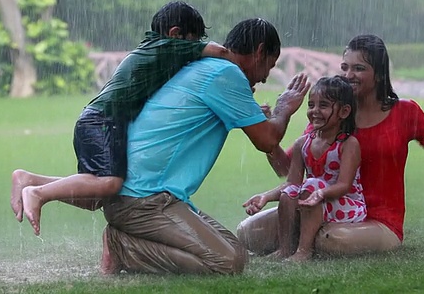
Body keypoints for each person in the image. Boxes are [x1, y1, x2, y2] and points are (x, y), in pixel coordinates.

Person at [237, 34, 424, 257]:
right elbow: (289, 170)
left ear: (378, 73)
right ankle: (304, 242)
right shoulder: (331, 113)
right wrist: (270, 130)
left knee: (332, 240)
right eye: (345, 67)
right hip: (320, 210)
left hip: (378, 222)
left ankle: (306, 243)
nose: (349, 75)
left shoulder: (406, 113)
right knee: (246, 234)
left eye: (358, 68)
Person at [100, 18, 310, 275]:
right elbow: (266, 141)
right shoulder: (227, 74)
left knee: (236, 250)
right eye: (269, 65)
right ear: (259, 51)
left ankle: (131, 239)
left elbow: (272, 152)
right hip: (144, 199)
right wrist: (284, 108)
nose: (265, 77)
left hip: (144, 194)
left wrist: (262, 115)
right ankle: (123, 245)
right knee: (227, 262)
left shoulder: (209, 67)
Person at [10, 1, 228, 236]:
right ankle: (38, 194)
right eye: (193, 40)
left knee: (94, 198)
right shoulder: (167, 46)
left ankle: (31, 180)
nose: (193, 47)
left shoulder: (152, 47)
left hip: (98, 120)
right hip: (102, 121)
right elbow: (220, 51)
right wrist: (237, 76)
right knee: (110, 183)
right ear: (175, 33)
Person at [244, 75, 366, 262]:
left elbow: (344, 186)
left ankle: (304, 250)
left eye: (323, 105)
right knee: (290, 192)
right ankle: (286, 249)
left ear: (344, 111)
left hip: (345, 204)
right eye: (311, 105)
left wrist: (321, 193)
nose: (315, 111)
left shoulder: (349, 144)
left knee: (311, 184)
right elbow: (291, 183)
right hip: (314, 200)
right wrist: (266, 196)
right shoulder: (303, 143)